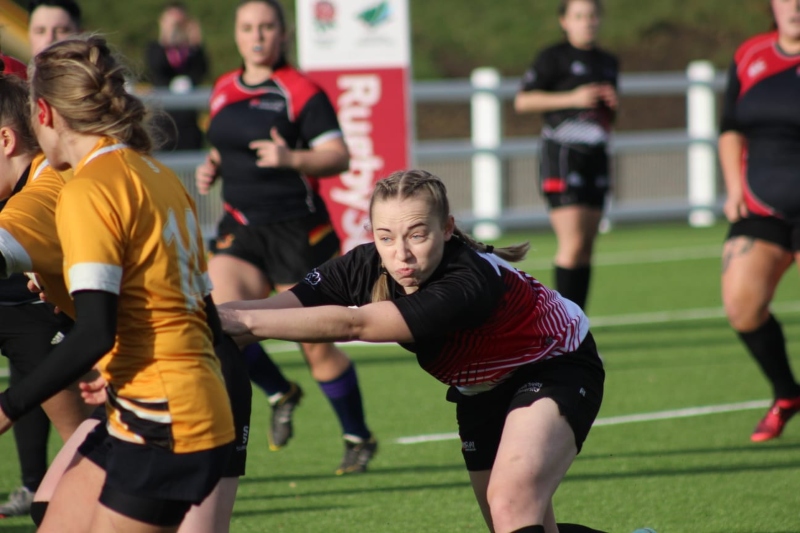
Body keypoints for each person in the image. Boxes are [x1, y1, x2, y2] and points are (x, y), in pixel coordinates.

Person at [218, 169, 607, 533]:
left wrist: (244, 323)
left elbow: (356, 324)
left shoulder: (466, 280)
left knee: (511, 503)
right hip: (479, 391)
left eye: (417, 235)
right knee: (514, 522)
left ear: (447, 228)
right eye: (385, 237)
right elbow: (285, 306)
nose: (400, 254)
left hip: (554, 366)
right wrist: (205, 317)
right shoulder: (365, 264)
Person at [0, 36, 236, 532]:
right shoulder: (157, 174)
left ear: (42, 114)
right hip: (161, 402)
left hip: (166, 416)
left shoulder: (88, 189)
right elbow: (204, 317)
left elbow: (94, 333)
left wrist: (8, 407)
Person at [196, 0, 377, 474]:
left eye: (267, 26)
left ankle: (357, 436)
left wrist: (291, 159)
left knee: (316, 346)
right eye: (248, 27)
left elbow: (338, 156)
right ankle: (279, 392)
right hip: (241, 230)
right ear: (236, 34)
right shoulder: (221, 89)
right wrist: (213, 165)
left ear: (283, 34)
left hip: (298, 234)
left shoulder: (300, 91)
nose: (257, 35)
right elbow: (224, 143)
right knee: (220, 321)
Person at [0, 53, 91, 520]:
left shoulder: (50, 185)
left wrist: (11, 404)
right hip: (150, 376)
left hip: (167, 389)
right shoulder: (110, 171)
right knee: (52, 507)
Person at [719, 0, 800, 443]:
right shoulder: (750, 54)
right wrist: (733, 188)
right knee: (741, 307)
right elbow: (730, 125)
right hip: (760, 205)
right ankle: (787, 394)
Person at [514, 0, 618, 311]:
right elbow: (523, 101)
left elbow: (607, 119)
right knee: (571, 245)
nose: (587, 22)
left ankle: (579, 323)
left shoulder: (607, 61)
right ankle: (565, 324)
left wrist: (611, 106)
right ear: (565, 21)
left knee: (586, 247)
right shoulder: (553, 57)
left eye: (592, 16)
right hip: (562, 154)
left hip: (595, 154)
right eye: (579, 16)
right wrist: (572, 97)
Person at [144, 1, 208, 151]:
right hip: (162, 122)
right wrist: (165, 38)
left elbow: (201, 72)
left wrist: (196, 45)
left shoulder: (191, 52)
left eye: (180, 23)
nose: (177, 28)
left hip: (188, 124)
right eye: (172, 22)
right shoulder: (155, 48)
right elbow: (156, 68)